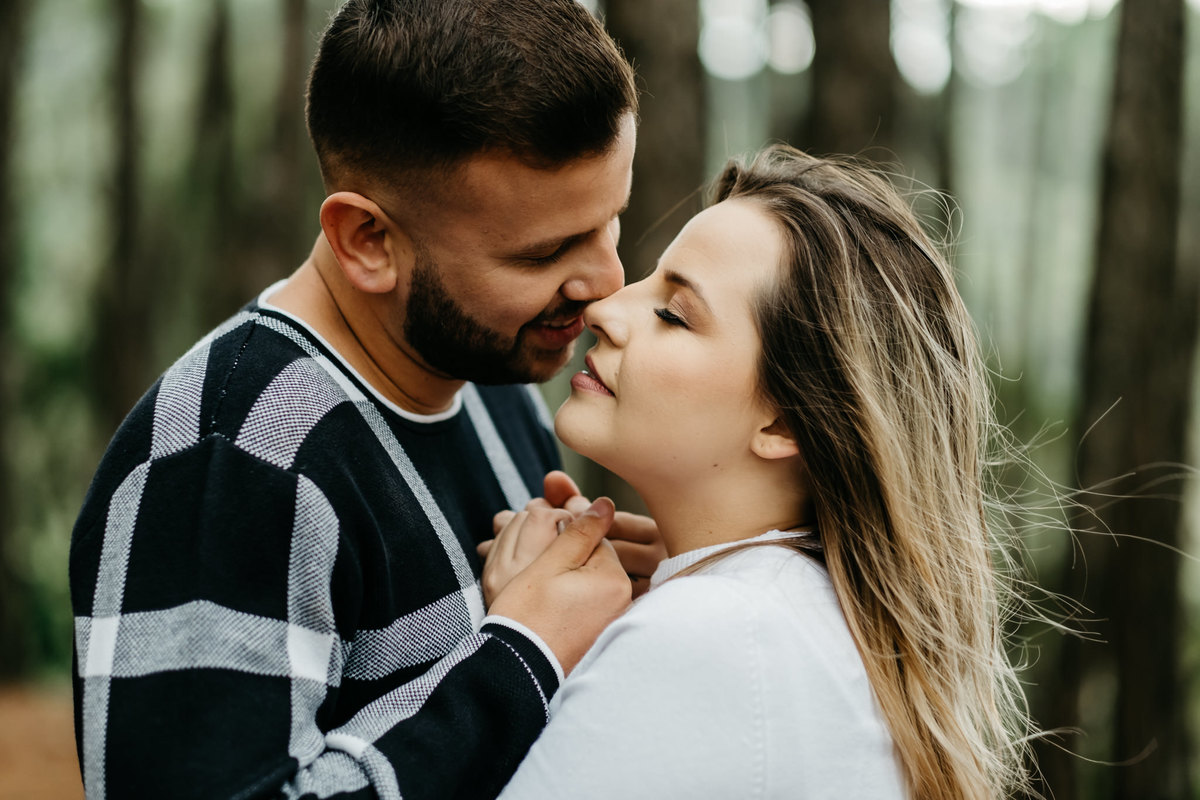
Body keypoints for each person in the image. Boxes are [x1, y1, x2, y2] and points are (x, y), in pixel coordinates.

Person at [68, 1, 653, 798]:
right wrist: (523, 648)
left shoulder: (493, 380)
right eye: (546, 252)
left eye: (609, 222)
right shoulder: (228, 462)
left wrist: (605, 607)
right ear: (367, 241)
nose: (605, 285)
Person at [483, 145, 1036, 800]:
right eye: (651, 279)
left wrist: (519, 649)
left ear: (784, 425)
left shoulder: (712, 637)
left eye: (673, 314)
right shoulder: (794, 619)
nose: (605, 309)